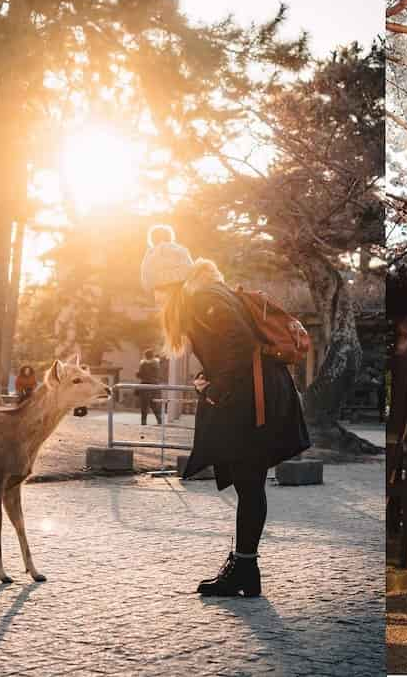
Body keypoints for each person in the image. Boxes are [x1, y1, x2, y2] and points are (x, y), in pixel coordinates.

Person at [141, 226, 310, 597]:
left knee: (249, 483)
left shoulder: (202, 299)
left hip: (257, 398)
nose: (155, 298)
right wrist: (210, 378)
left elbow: (240, 344)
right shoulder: (206, 294)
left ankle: (245, 570)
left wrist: (216, 388)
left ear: (169, 282)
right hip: (257, 391)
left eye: (156, 288)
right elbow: (231, 349)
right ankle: (244, 565)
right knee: (248, 482)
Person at [136, 349, 163, 426]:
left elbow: (141, 375)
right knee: (154, 404)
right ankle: (159, 420)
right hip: (155, 385)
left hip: (145, 385)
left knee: (144, 405)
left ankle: (143, 422)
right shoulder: (157, 363)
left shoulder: (143, 363)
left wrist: (137, 374)